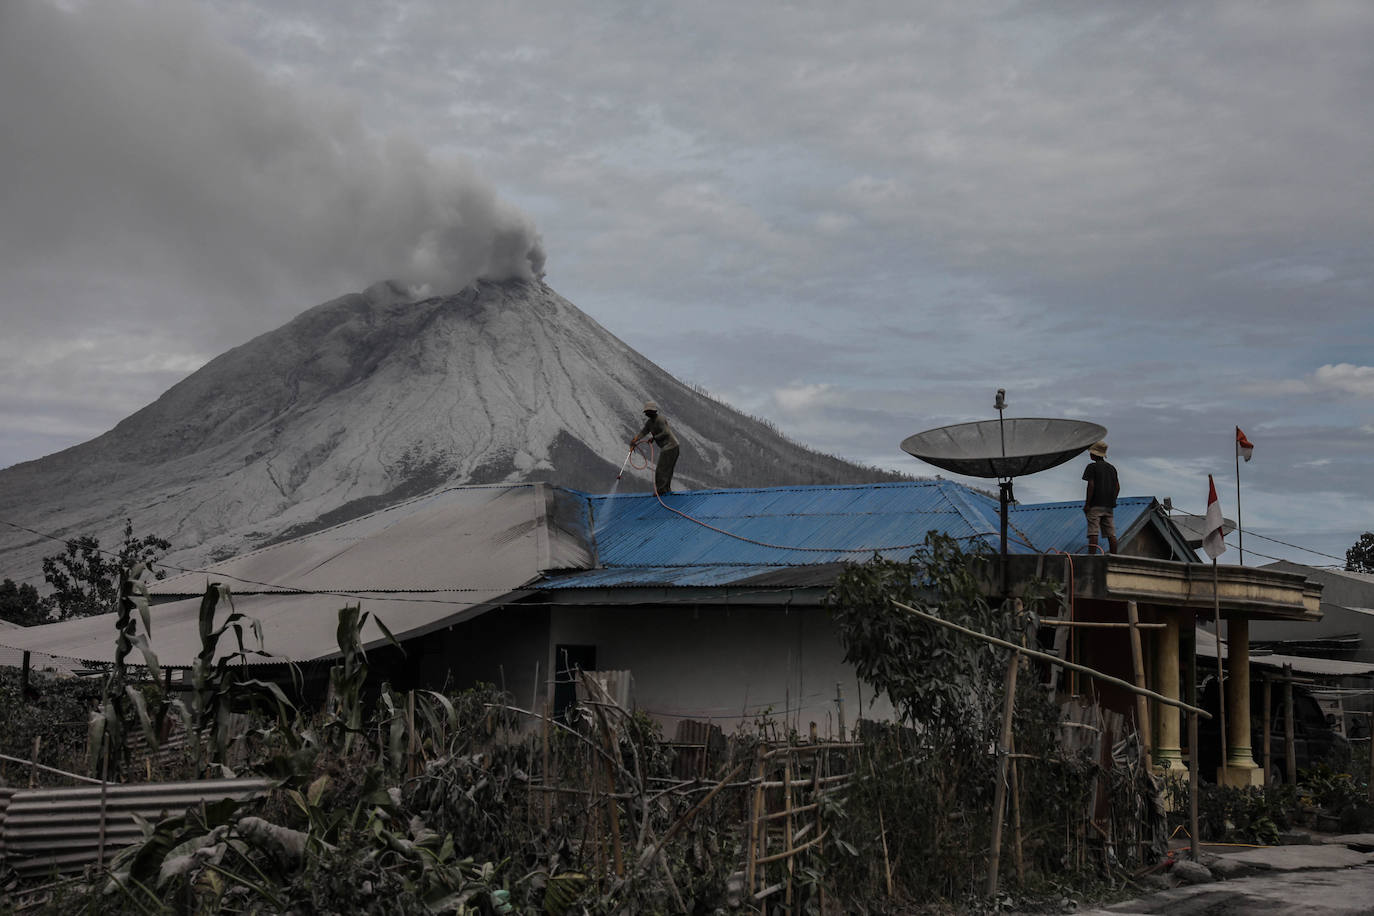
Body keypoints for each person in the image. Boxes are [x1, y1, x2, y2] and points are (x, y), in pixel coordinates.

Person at [631, 400, 680, 494]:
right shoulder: (649, 423)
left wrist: (654, 438)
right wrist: (634, 440)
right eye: (646, 412)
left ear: (653, 412)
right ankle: (665, 490)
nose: (646, 414)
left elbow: (666, 432)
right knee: (667, 469)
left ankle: (661, 490)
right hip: (668, 447)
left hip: (671, 446)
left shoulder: (660, 419)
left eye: (647, 412)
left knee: (662, 470)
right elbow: (643, 432)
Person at [1082, 440, 1119, 554]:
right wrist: (1112, 500)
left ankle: (1091, 557)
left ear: (1093, 454)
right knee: (1111, 533)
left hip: (1095, 505)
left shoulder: (1091, 467)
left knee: (1093, 532)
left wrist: (1087, 504)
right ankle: (1114, 557)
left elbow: (1091, 485)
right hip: (1108, 506)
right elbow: (1117, 487)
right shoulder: (1112, 468)